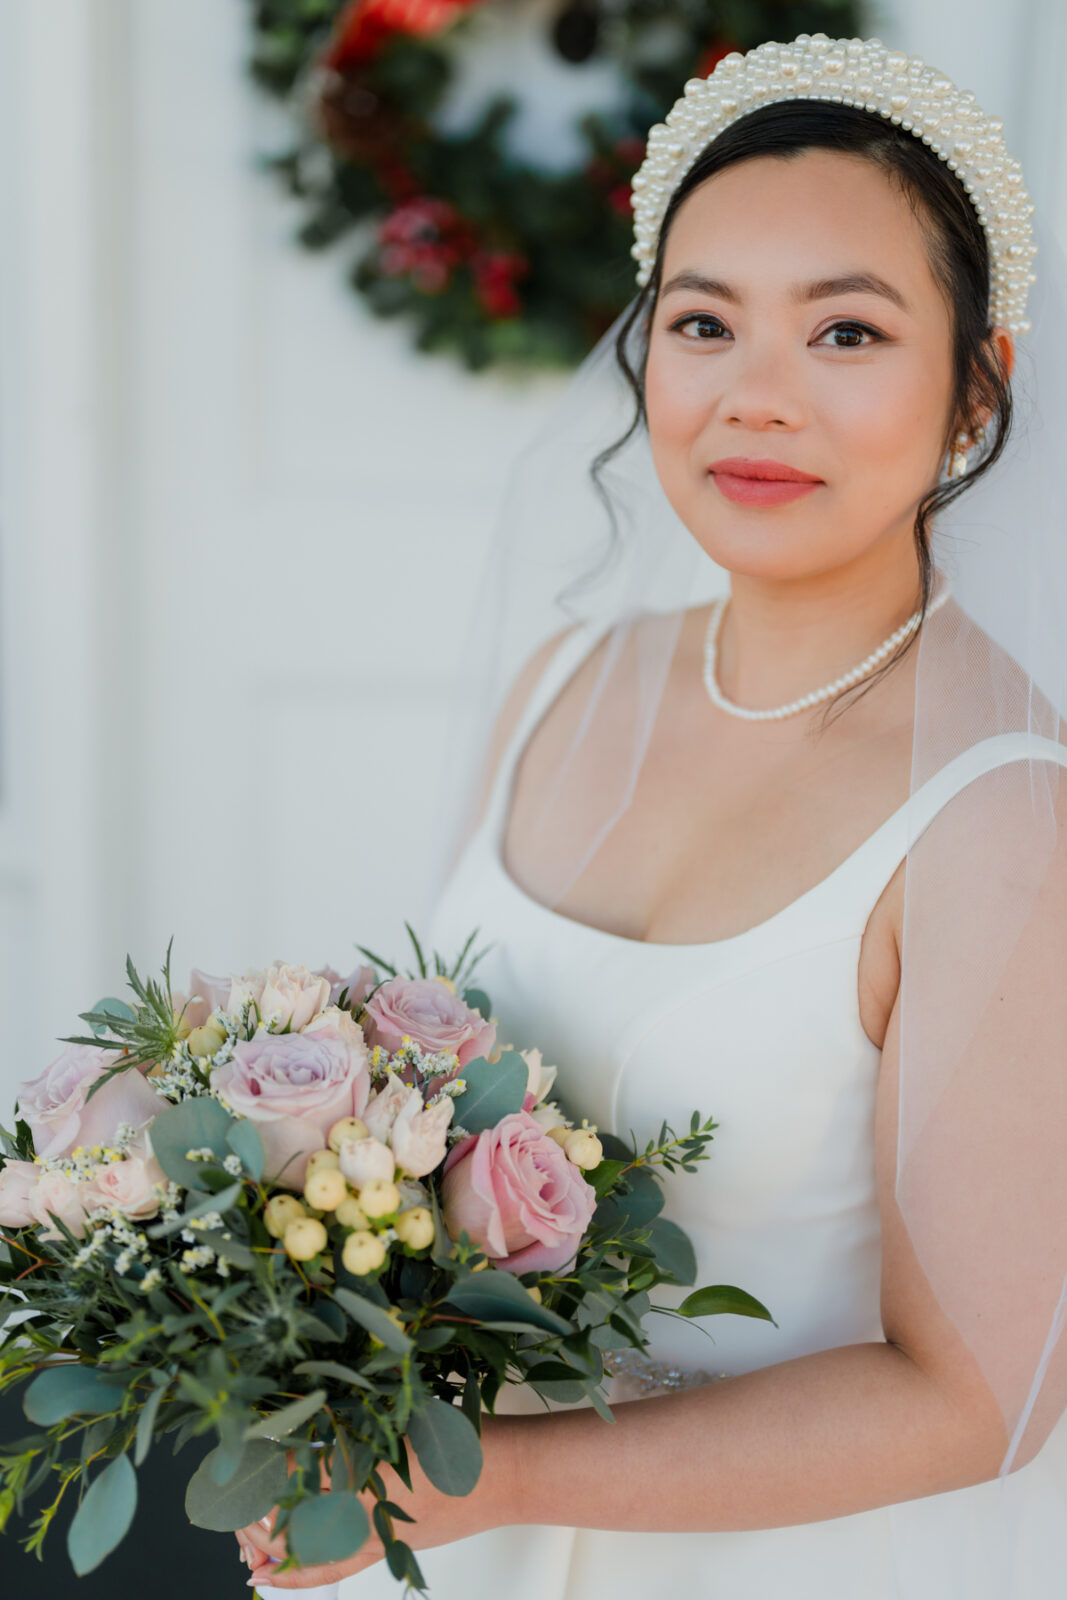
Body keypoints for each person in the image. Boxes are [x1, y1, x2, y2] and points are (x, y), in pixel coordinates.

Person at [239, 34, 1067, 1596]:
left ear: (975, 387)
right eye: (705, 323)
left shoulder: (1005, 818)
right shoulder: (573, 678)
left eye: (846, 332)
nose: (757, 399)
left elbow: (980, 1400)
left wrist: (488, 1479)